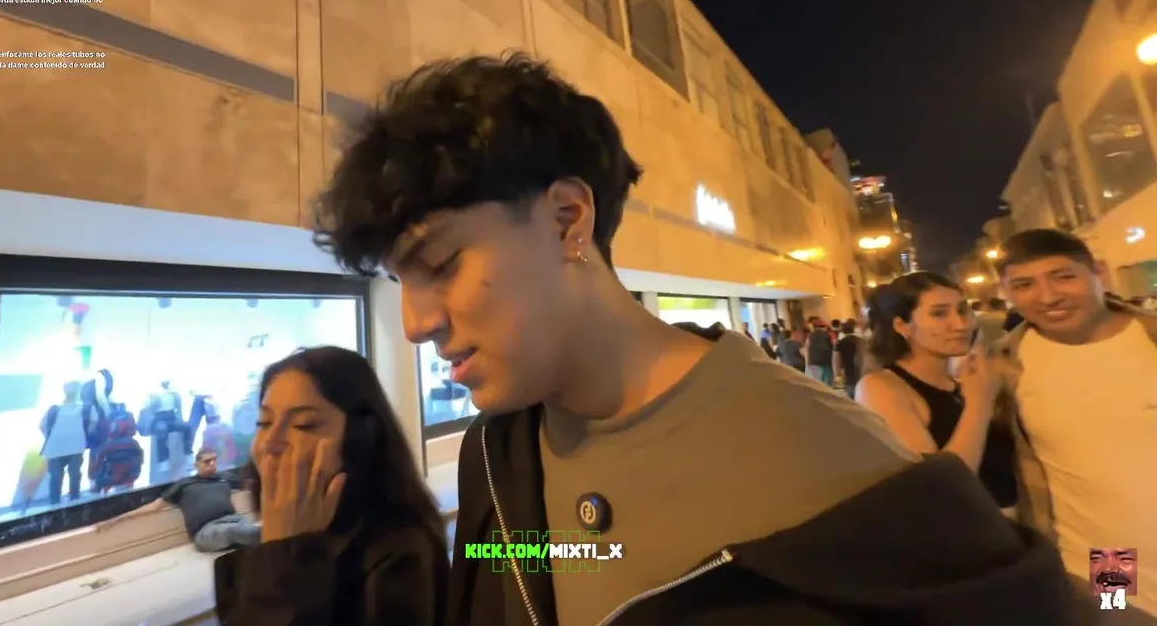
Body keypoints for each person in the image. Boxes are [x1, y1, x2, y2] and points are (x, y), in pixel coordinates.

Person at [310, 54, 1085, 624]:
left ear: (567, 220)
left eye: (441, 265)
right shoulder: (496, 451)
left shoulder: (831, 457)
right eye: (399, 283)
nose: (414, 323)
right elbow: (524, 567)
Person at [212, 347, 448, 625]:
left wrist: (286, 558)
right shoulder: (265, 540)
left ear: (360, 438)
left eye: (303, 425)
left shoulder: (401, 555)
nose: (270, 443)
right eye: (264, 422)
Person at [997, 228, 1157, 617]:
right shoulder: (1003, 366)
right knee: (1119, 620)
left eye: (1064, 276)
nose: (1048, 296)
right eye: (1024, 285)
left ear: (1099, 272)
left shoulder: (1150, 339)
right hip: (1108, 559)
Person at [855, 272, 1018, 512]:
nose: (961, 324)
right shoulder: (881, 388)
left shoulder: (961, 382)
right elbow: (943, 490)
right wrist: (980, 401)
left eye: (962, 310)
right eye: (939, 313)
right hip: (964, 532)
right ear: (902, 326)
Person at [96, 448, 259, 552]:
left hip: (235, 519)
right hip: (207, 530)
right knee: (239, 532)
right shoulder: (184, 484)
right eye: (207, 461)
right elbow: (153, 507)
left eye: (214, 460)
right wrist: (115, 520)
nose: (212, 464)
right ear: (196, 465)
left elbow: (252, 485)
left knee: (250, 529)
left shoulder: (224, 477)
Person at [38, 379, 94, 507]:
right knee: (75, 475)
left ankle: (55, 504)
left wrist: (53, 437)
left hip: (55, 448)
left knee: (55, 478)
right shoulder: (86, 408)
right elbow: (93, 423)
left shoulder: (54, 409)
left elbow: (42, 426)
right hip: (76, 446)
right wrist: (82, 435)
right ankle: (74, 502)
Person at [834, 319, 863, 398]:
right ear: (853, 329)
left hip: (848, 371)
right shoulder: (861, 341)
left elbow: (836, 359)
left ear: (843, 331)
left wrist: (837, 373)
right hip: (861, 370)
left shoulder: (840, 343)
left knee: (851, 394)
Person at [804, 320, 836, 387]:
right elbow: (834, 346)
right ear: (825, 327)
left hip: (813, 362)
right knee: (827, 384)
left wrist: (807, 362)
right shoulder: (829, 335)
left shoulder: (810, 336)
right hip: (826, 362)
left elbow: (806, 348)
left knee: (817, 384)